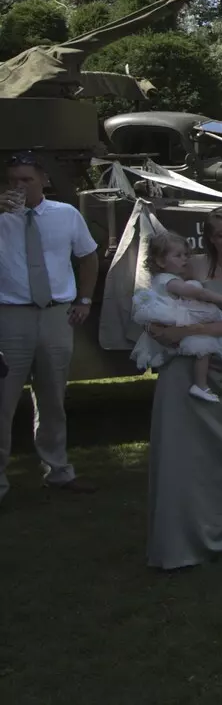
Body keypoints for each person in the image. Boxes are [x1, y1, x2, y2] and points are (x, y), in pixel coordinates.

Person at [143, 205, 222, 570]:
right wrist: (155, 330)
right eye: (219, 234)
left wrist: (183, 333)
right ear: (209, 237)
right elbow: (159, 295)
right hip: (183, 370)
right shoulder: (193, 265)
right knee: (181, 456)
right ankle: (181, 541)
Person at [0, 152, 98, 506]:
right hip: (10, 316)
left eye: (25, 179)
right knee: (3, 401)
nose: (18, 187)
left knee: (53, 398)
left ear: (43, 179)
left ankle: (58, 471)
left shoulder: (65, 215)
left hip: (57, 315)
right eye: (12, 180)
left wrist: (84, 301)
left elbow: (88, 257)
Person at [131, 231, 222, 402]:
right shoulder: (167, 279)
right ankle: (200, 385)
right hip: (176, 318)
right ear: (161, 261)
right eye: (178, 256)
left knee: (200, 345)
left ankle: (199, 383)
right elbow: (193, 292)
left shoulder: (163, 278)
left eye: (186, 254)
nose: (185, 259)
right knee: (204, 346)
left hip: (175, 321)